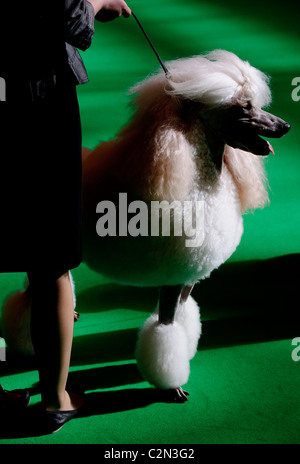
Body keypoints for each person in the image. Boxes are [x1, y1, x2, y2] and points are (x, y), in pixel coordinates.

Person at [0, 0, 131, 433]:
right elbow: (68, 16)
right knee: (51, 255)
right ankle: (55, 399)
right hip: (35, 102)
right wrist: (100, 2)